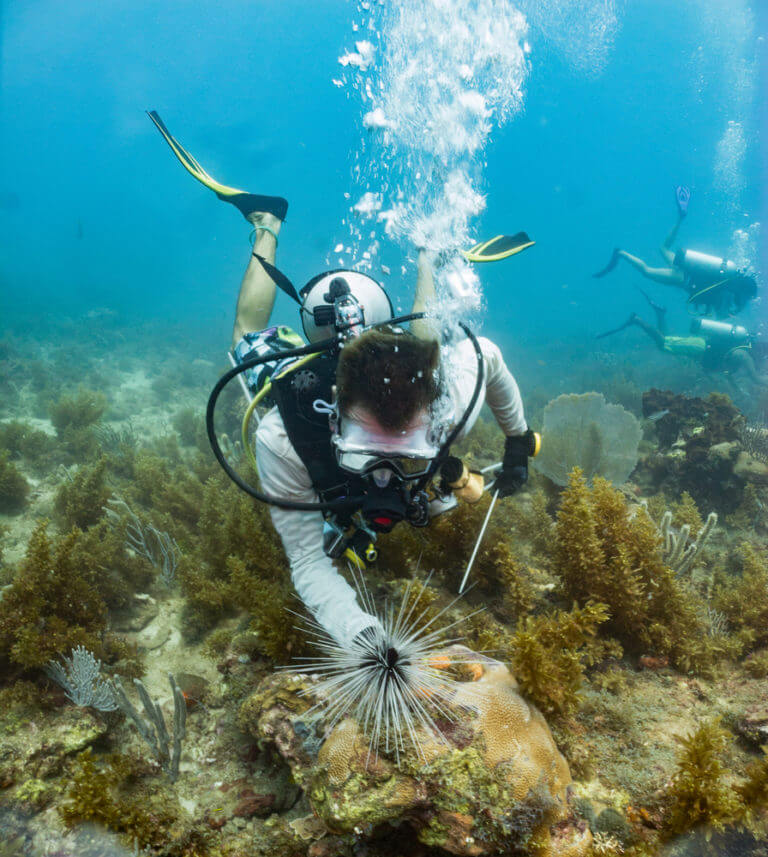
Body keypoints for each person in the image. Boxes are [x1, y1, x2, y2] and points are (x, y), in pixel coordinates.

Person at [148, 112, 538, 649]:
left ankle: (428, 252)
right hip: (319, 357)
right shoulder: (287, 437)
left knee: (426, 338)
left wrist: (518, 440)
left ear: (433, 422)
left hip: (395, 339)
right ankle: (268, 223)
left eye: (407, 454)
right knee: (247, 336)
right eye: (369, 451)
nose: (384, 473)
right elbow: (307, 560)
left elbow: (488, 358)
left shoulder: (448, 397)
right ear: (332, 421)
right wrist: (364, 636)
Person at [593, 186, 758, 318]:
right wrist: (731, 314)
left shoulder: (728, 278)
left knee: (663, 248)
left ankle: (680, 218)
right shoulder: (730, 296)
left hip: (690, 266)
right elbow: (720, 317)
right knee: (647, 271)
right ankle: (621, 253)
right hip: (684, 279)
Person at [597, 289, 768, 390]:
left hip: (700, 350)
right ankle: (637, 320)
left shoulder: (743, 352)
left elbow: (727, 369)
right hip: (700, 348)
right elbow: (757, 379)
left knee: (668, 341)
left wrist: (735, 387)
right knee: (664, 345)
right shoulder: (744, 356)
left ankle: (660, 313)